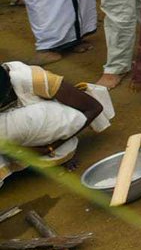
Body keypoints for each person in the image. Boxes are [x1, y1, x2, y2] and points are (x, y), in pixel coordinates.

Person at [0, 59, 113, 189]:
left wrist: (51, 147)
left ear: (8, 91)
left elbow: (93, 108)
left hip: (50, 130)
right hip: (18, 140)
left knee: (38, 120)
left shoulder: (34, 79)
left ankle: (57, 155)